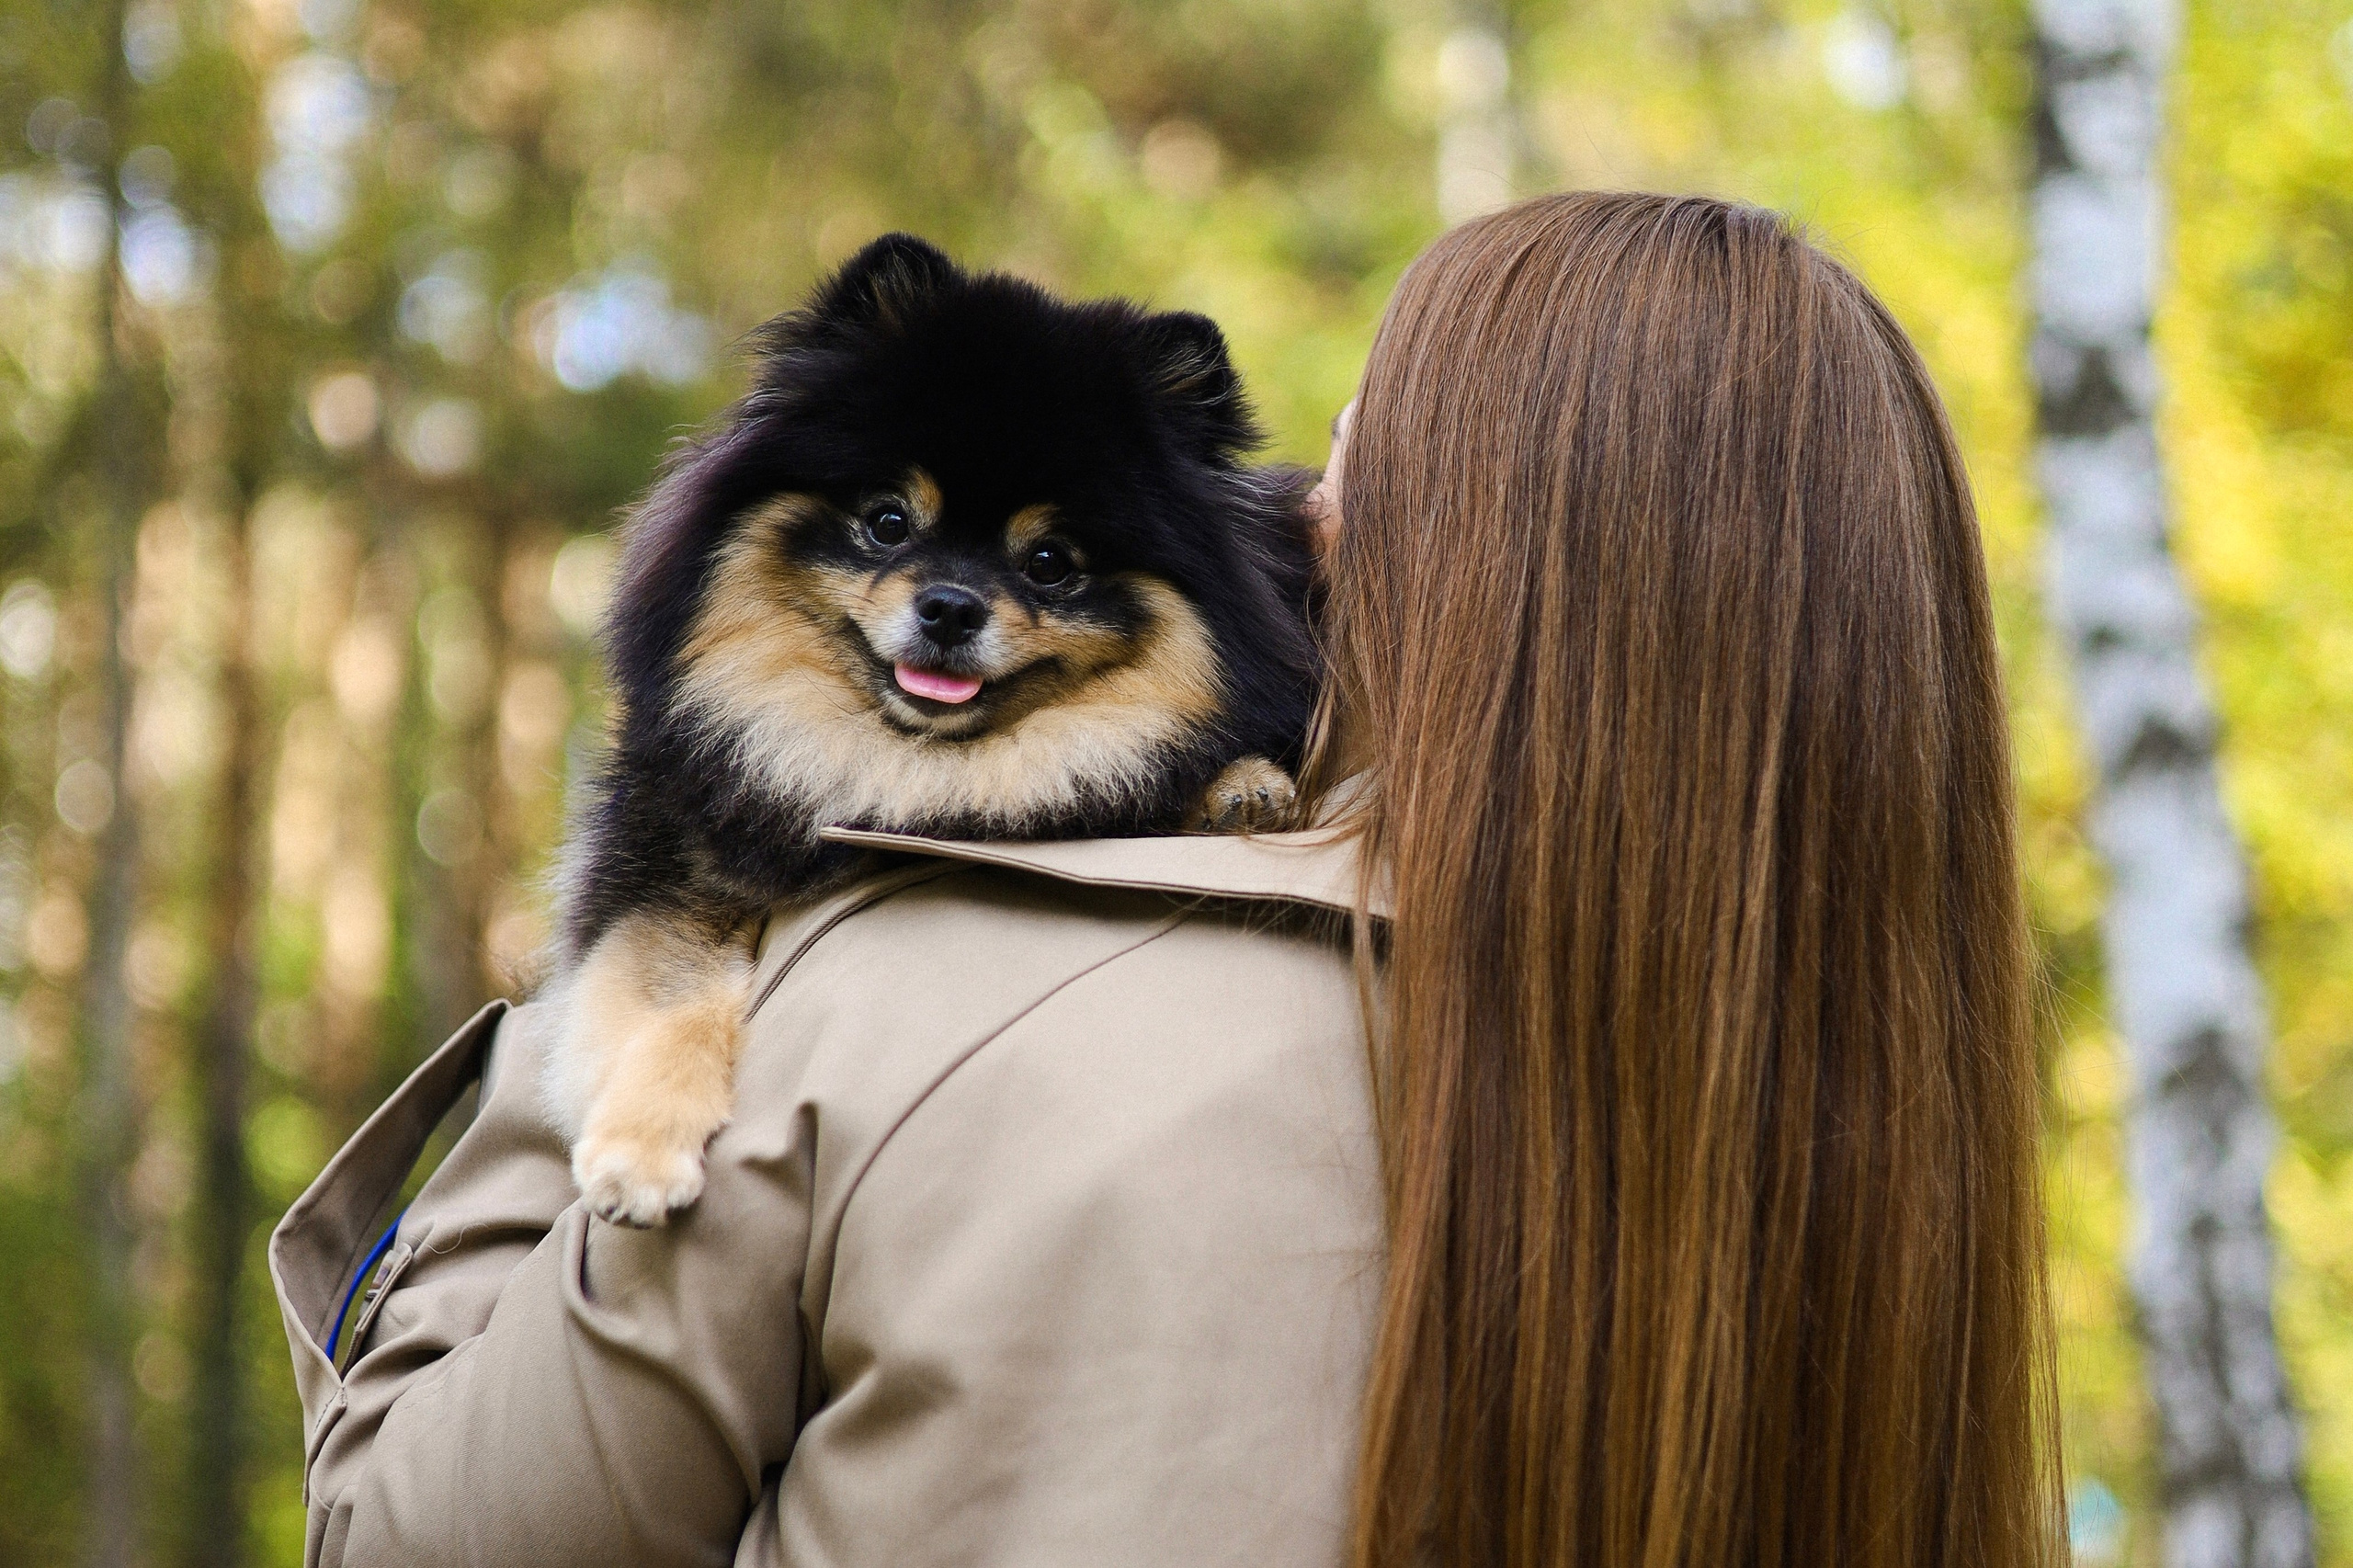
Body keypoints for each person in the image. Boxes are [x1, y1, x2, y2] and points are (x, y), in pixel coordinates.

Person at [273, 191, 2061, 1568]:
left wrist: (644, 906)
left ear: (1405, 549)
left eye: (1344, 463)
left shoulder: (884, 999)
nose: (1294, 511)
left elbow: (411, 1535)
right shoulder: (1914, 1177)